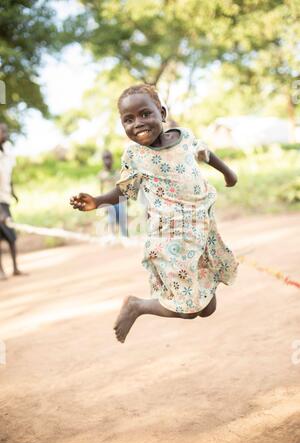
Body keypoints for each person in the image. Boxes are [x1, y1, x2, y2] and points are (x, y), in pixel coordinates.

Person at [70, 84, 238, 343]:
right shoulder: (135, 155)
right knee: (187, 311)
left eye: (145, 114)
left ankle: (167, 302)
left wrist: (228, 172)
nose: (138, 123)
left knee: (207, 309)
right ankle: (137, 306)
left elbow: (205, 153)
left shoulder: (183, 137)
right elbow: (125, 190)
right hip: (170, 236)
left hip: (200, 230)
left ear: (161, 112)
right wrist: (99, 201)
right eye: (128, 119)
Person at [0, 122, 23, 280]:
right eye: (2, 131)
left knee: (11, 236)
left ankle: (15, 268)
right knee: (4, 235)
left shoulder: (7, 151)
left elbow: (9, 176)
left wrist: (13, 193)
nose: (5, 133)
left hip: (5, 198)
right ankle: (2, 272)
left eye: (6, 131)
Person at [98, 149, 128, 237]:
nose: (107, 161)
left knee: (122, 217)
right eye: (105, 158)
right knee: (111, 218)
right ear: (102, 160)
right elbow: (101, 189)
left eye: (109, 158)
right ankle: (112, 236)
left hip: (119, 199)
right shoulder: (102, 174)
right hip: (108, 199)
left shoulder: (117, 172)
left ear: (112, 159)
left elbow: (122, 186)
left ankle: (124, 236)